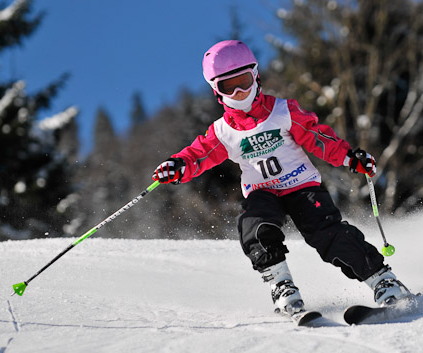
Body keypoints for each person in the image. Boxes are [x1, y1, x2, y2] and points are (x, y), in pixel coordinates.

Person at [152, 40, 409, 317]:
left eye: (244, 81)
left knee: (327, 233)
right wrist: (177, 166)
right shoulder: (222, 132)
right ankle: (282, 286)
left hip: (302, 186)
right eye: (229, 86)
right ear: (216, 91)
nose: (239, 92)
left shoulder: (283, 111)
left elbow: (318, 137)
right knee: (254, 224)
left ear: (256, 76)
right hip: (263, 192)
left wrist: (350, 157)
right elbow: (199, 154)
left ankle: (384, 281)